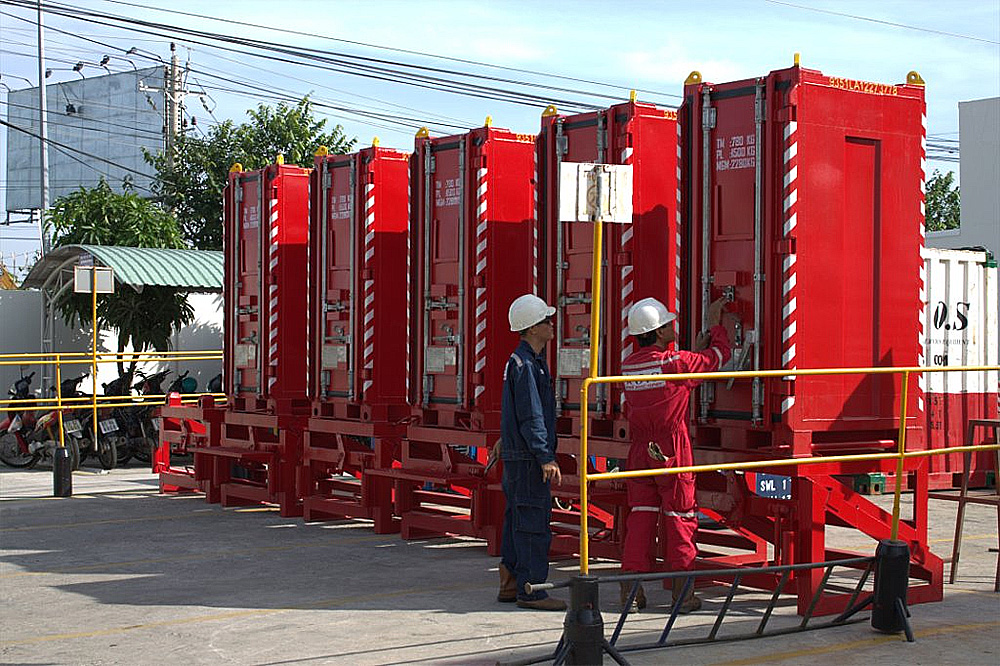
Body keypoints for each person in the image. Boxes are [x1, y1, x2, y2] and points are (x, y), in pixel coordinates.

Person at [619, 296, 732, 613]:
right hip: (671, 448)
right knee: (680, 518)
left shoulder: (629, 366)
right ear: (658, 331)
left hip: (640, 450)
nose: (674, 326)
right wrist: (715, 324)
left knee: (640, 518)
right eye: (669, 324)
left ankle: (631, 592)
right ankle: (683, 596)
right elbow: (718, 357)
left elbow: (675, 375)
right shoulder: (675, 363)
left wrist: (690, 353)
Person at [496, 293, 566, 611]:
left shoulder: (526, 362)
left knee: (516, 520)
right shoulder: (526, 366)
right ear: (532, 327)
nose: (552, 324)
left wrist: (505, 440)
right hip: (527, 459)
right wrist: (545, 456)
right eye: (546, 321)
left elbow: (516, 412)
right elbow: (531, 415)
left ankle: (510, 584)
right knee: (532, 524)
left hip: (518, 454)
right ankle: (532, 589)